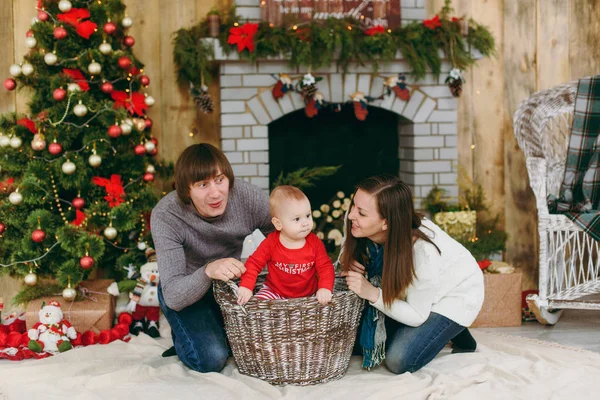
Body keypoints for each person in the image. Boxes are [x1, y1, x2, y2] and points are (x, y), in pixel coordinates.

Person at [340, 175, 484, 373]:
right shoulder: (359, 225)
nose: (351, 216)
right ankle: (444, 330)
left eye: (361, 213)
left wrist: (372, 293)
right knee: (353, 343)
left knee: (399, 359)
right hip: (421, 291)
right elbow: (343, 255)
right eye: (353, 206)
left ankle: (454, 326)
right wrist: (348, 263)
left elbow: (417, 315)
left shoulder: (423, 252)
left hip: (455, 294)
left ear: (386, 223)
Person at [150, 143, 273, 373]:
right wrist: (209, 269)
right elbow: (175, 295)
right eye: (202, 184)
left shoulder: (246, 197)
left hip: (229, 285)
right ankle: (186, 335)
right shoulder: (166, 215)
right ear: (186, 190)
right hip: (185, 288)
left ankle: (210, 328)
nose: (215, 193)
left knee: (264, 347)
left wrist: (258, 263)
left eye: (219, 180)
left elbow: (280, 231)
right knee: (211, 358)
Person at [237, 185, 335, 305]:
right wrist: (246, 286)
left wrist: (324, 288)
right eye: (297, 219)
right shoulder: (271, 242)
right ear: (278, 224)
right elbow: (254, 263)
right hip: (275, 291)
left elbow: (325, 267)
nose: (305, 223)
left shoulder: (314, 242)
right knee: (258, 305)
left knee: (323, 304)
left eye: (308, 215)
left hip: (309, 294)